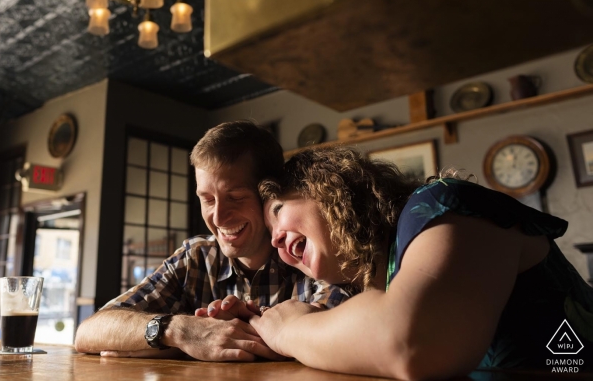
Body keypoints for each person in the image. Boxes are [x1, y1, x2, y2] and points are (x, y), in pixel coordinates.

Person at [209, 146, 593, 379]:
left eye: (279, 211)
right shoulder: (384, 275)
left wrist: (291, 330)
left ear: (325, 188)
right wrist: (257, 331)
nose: (276, 239)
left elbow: (412, 344)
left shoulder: (444, 205)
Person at [73, 121, 349, 362]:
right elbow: (89, 332)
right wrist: (180, 332)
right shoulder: (196, 257)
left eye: (235, 197)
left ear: (269, 194)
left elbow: (335, 339)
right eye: (207, 199)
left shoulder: (309, 252)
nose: (217, 216)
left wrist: (172, 347)